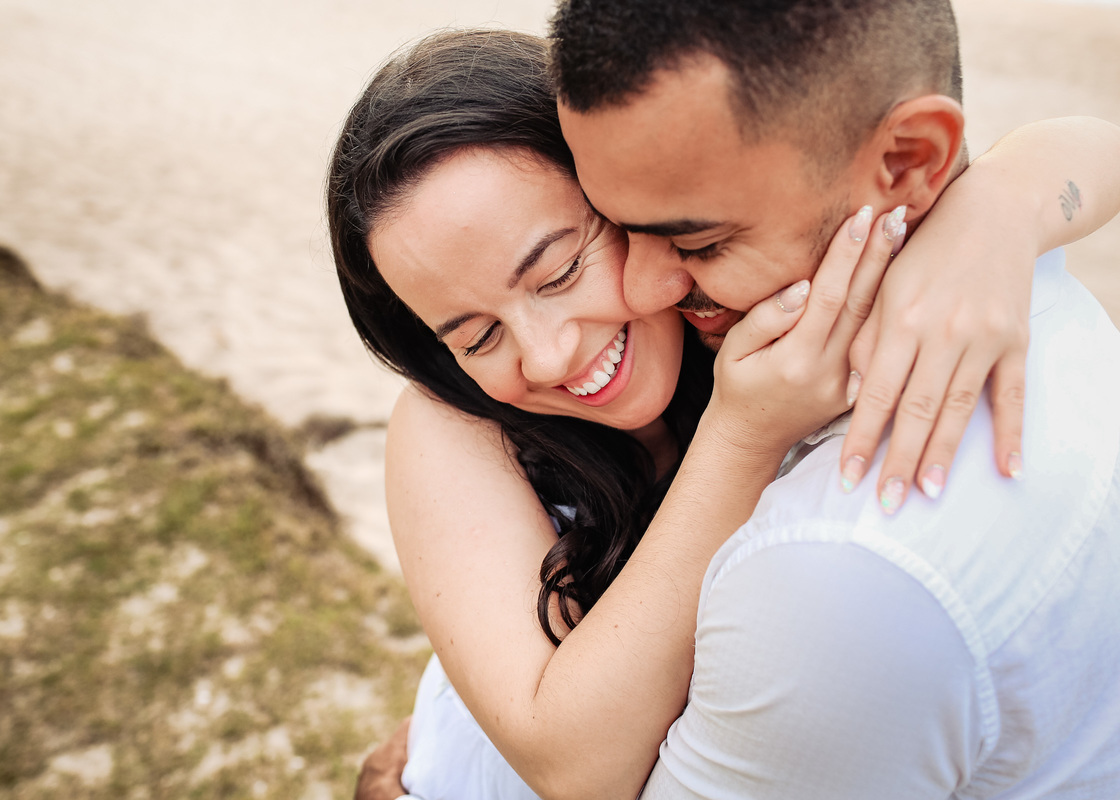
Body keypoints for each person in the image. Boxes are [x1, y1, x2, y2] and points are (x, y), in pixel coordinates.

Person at [329, 30, 1120, 800]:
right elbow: (574, 768)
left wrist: (1000, 209)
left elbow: (1093, 146)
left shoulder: (740, 307)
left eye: (562, 270)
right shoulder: (453, 427)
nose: (546, 357)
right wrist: (741, 435)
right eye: (477, 335)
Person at [550, 0, 1120, 797]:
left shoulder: (836, 576)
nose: (640, 289)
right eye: (611, 229)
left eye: (697, 242)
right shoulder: (1017, 281)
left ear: (911, 161)